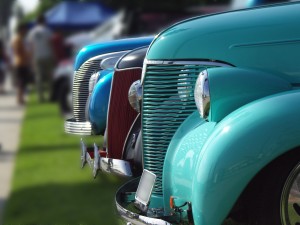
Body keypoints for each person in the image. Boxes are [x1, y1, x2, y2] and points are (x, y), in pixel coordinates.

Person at [27, 14, 54, 102]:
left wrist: (31, 58)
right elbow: (50, 43)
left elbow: (31, 46)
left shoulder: (32, 32)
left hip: (37, 56)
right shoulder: (47, 30)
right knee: (50, 76)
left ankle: (40, 97)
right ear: (44, 21)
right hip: (47, 55)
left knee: (39, 77)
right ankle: (51, 95)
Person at [12, 23, 31, 105]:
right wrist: (26, 55)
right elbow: (17, 51)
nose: (25, 31)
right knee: (21, 82)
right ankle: (20, 98)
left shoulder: (21, 39)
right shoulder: (18, 39)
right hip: (20, 63)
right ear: (20, 30)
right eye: (24, 29)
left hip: (23, 62)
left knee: (23, 82)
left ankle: (21, 98)